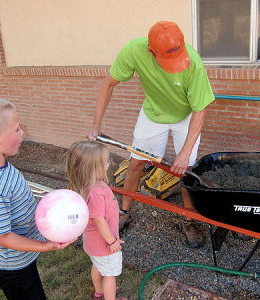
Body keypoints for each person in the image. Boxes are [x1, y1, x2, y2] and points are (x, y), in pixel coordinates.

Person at [86, 21, 215, 248]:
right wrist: (96, 125)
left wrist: (184, 154)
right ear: (150, 51)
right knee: (136, 164)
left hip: (185, 117)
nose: (175, 66)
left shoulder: (192, 63)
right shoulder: (134, 50)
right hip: (153, 115)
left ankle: (189, 220)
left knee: (187, 171)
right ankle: (125, 210)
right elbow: (108, 85)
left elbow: (200, 111)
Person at [0, 98, 76, 300]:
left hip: (21, 258)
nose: (22, 133)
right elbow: (2, 237)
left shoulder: (0, 165)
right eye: (16, 129)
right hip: (12, 267)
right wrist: (44, 246)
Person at [66, 141, 127, 300]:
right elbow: (99, 221)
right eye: (105, 162)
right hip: (104, 244)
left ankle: (99, 292)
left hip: (92, 242)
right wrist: (112, 242)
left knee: (98, 266)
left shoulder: (84, 185)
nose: (108, 164)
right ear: (93, 168)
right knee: (110, 275)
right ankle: (108, 294)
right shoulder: (97, 191)